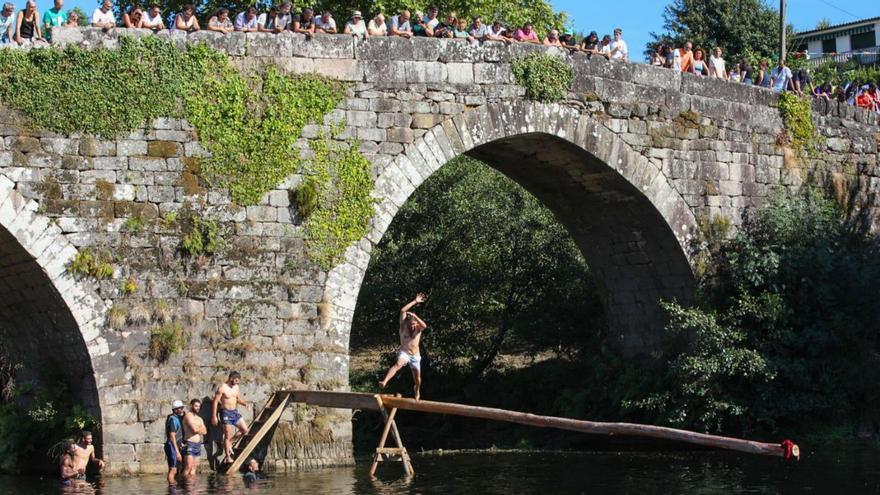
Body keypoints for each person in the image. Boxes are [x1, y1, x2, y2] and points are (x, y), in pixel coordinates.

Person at [378, 293, 429, 400]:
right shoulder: (403, 327)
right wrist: (415, 301)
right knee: (398, 364)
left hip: (415, 356)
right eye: (411, 324)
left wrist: (415, 316)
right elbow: (402, 311)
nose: (412, 326)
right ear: (407, 323)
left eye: (414, 324)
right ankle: (385, 381)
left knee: (418, 378)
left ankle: (417, 389)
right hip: (404, 353)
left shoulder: (418, 329)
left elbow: (425, 325)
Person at [212, 371, 249, 463]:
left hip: (234, 412)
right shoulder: (222, 388)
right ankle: (228, 457)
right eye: (236, 380)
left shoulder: (236, 387)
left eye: (238, 381)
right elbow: (215, 401)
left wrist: (245, 404)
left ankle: (230, 442)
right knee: (227, 434)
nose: (237, 382)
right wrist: (214, 416)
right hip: (225, 413)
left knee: (245, 430)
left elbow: (237, 398)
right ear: (231, 378)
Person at [181, 398, 207, 477]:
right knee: (188, 467)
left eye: (199, 406)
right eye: (196, 406)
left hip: (197, 444)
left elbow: (205, 431)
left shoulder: (199, 419)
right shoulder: (188, 416)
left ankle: (192, 488)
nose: (198, 408)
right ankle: (185, 485)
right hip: (189, 443)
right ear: (191, 406)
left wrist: (198, 429)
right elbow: (194, 430)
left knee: (194, 468)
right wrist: (199, 428)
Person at [165, 400, 186, 485]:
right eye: (180, 408)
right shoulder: (173, 419)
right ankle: (172, 488)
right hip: (171, 446)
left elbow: (177, 435)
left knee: (174, 469)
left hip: (174, 445)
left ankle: (173, 488)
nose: (182, 410)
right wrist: (177, 452)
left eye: (182, 408)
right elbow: (172, 436)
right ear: (175, 409)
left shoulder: (176, 418)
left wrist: (180, 443)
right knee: (173, 469)